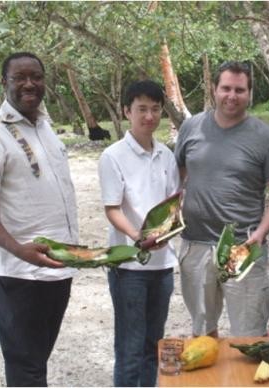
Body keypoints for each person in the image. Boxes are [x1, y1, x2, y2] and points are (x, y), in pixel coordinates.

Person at [0, 52, 78, 386]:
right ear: (5, 83)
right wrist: (17, 249)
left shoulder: (45, 126)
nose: (30, 84)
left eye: (37, 76)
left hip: (58, 267)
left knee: (37, 358)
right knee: (24, 364)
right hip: (20, 274)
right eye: (20, 77)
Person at [174, 61, 269, 337]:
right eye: (225, 88)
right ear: (214, 89)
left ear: (249, 93)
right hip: (196, 245)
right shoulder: (191, 128)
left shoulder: (266, 138)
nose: (232, 96)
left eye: (240, 90)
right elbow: (176, 178)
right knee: (203, 334)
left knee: (249, 335)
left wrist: (261, 234)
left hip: (242, 247)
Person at [97, 80, 180, 386]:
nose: (149, 116)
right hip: (129, 267)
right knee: (130, 348)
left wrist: (169, 232)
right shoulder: (113, 156)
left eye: (155, 109)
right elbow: (113, 208)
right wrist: (136, 235)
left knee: (152, 345)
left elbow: (173, 204)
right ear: (126, 111)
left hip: (163, 266)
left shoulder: (166, 155)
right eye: (142, 109)